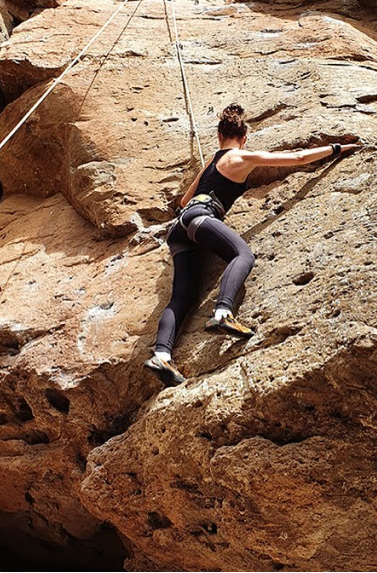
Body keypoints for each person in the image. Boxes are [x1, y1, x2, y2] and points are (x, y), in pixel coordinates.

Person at [145, 103, 360, 387]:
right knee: (242, 255)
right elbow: (297, 158)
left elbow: (184, 202)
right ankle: (223, 313)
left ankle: (161, 354)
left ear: (220, 136)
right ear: (243, 137)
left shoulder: (211, 161)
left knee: (182, 297)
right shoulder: (242, 156)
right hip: (201, 218)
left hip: (181, 228)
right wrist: (335, 149)